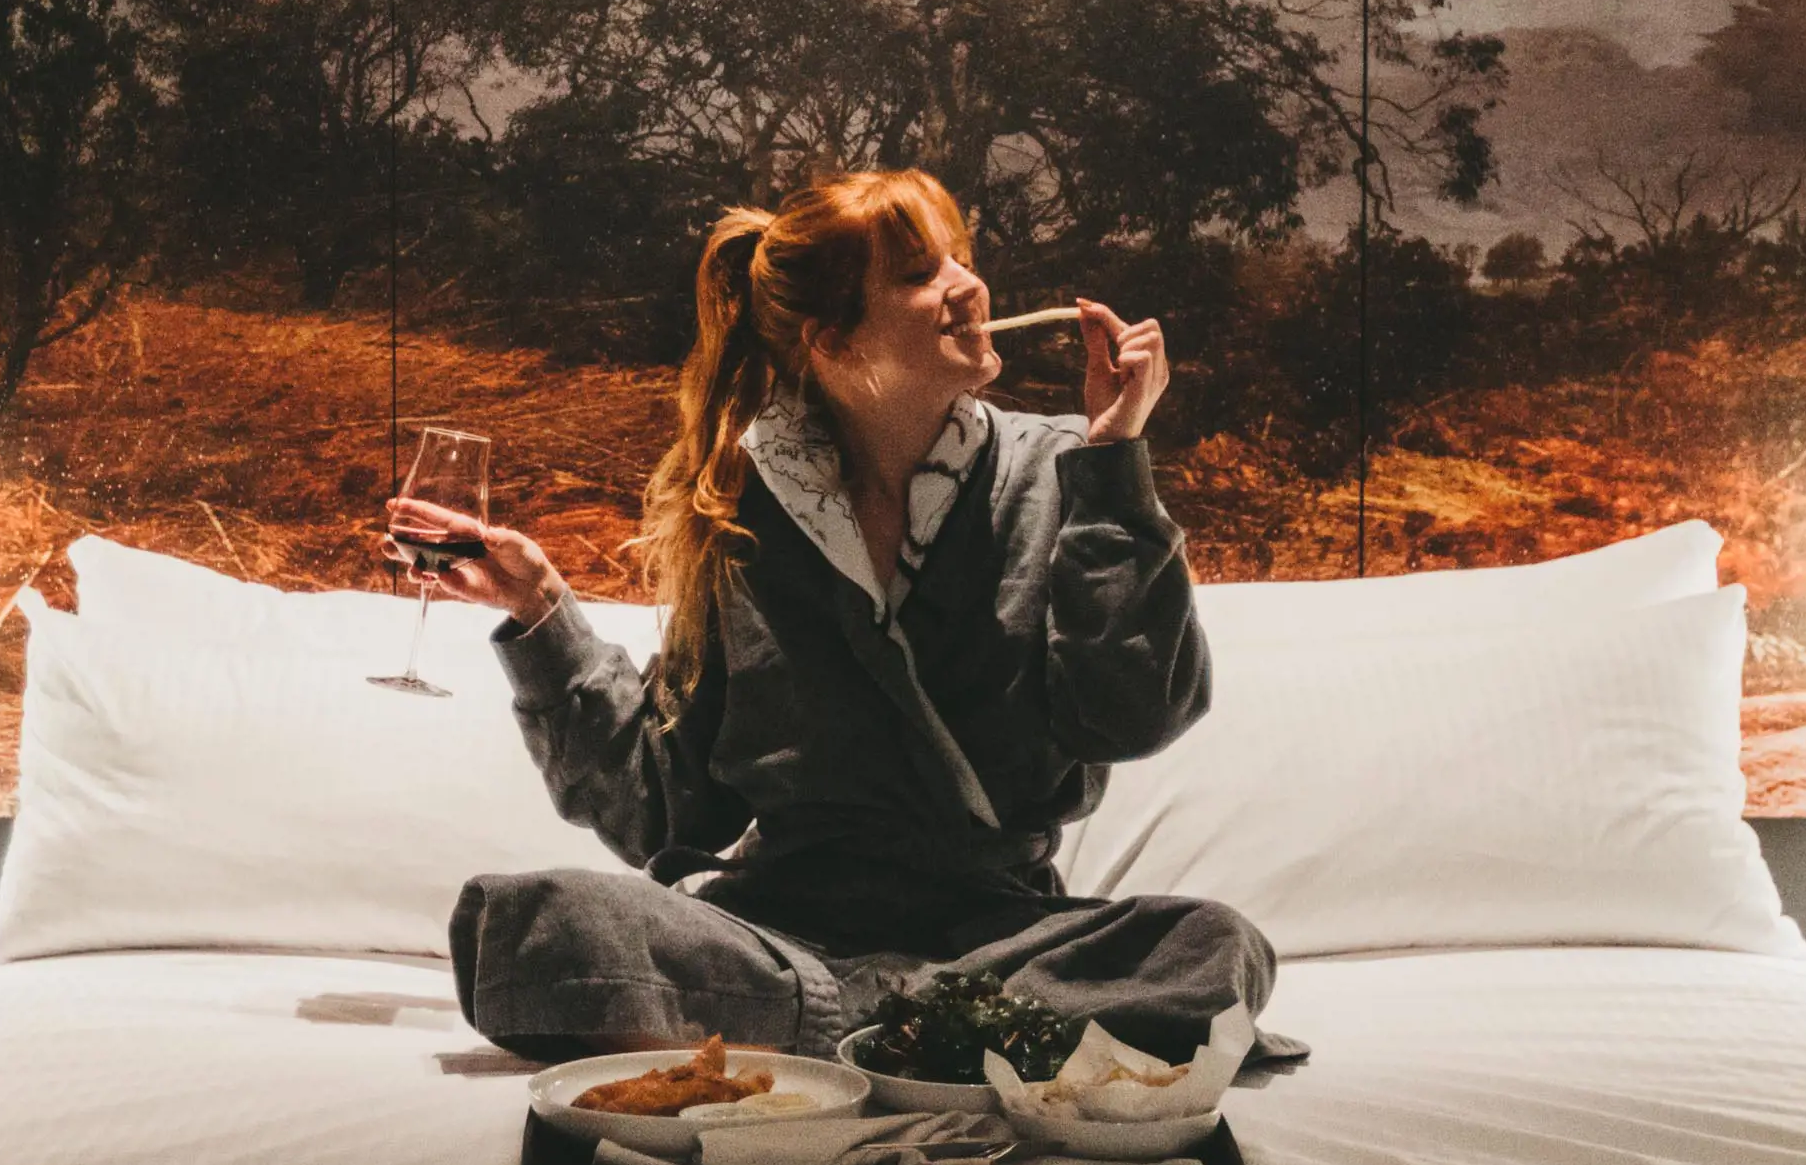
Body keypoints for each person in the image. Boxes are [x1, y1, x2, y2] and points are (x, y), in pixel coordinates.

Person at [392, 166, 1276, 1063]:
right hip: (785, 930)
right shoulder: (742, 515)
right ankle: (936, 1032)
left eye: (961, 256)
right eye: (919, 272)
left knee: (1213, 950)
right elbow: (664, 807)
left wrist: (1119, 456)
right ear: (831, 341)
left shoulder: (1065, 471)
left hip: (1000, 934)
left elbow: (1128, 714)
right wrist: (540, 608)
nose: (967, 285)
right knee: (525, 927)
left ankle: (848, 1026)